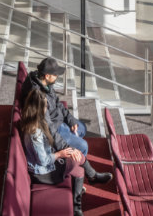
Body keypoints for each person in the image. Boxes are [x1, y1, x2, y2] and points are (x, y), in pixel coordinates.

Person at [19, 57, 112, 186]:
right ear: (47, 75)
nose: (57, 76)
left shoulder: (45, 84)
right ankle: (79, 176)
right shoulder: (37, 97)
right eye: (55, 74)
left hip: (58, 122)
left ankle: (84, 170)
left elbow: (58, 104)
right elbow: (49, 130)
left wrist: (70, 120)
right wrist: (67, 150)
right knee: (83, 146)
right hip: (53, 132)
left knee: (81, 128)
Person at [21, 88, 85, 216]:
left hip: (48, 159)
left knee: (79, 162)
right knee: (78, 161)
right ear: (39, 109)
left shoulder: (32, 120)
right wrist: (60, 154)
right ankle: (76, 206)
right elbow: (43, 161)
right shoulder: (35, 133)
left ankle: (76, 204)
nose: (47, 109)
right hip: (43, 172)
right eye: (45, 106)